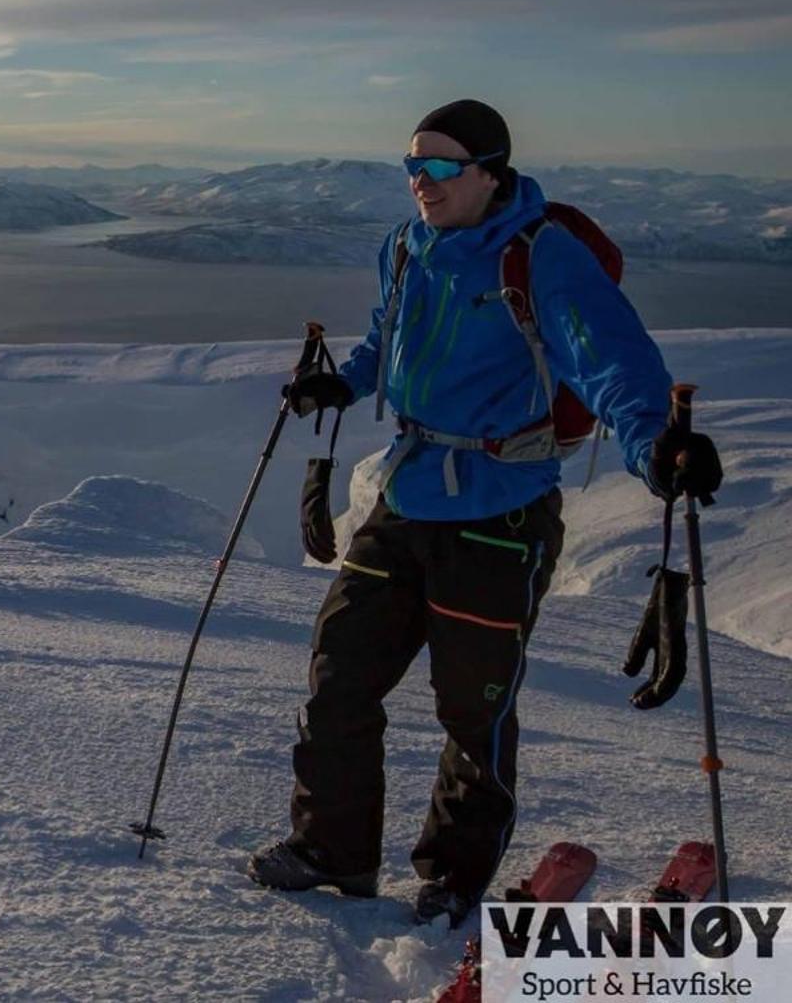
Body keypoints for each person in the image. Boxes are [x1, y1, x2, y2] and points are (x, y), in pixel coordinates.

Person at [244, 99, 724, 926]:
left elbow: (611, 360)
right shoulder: (404, 246)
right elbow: (384, 341)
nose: (418, 183)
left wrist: (658, 447)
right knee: (340, 671)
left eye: (438, 167)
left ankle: (455, 873)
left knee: (475, 706)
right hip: (408, 489)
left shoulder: (540, 256)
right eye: (411, 165)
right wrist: (346, 382)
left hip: (499, 510)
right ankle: (334, 850)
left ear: (490, 172)